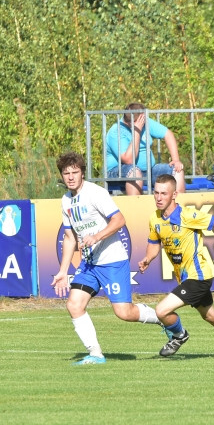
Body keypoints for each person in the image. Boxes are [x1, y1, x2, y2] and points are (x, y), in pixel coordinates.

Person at [51, 151, 168, 366]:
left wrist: (96, 236)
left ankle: (164, 318)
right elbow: (70, 238)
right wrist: (62, 271)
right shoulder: (66, 201)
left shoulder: (95, 193)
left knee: (124, 312)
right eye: (66, 173)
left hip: (112, 259)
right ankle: (95, 354)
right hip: (89, 263)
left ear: (82, 173)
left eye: (74, 172)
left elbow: (119, 220)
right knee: (74, 305)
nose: (70, 177)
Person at [137, 174, 214, 358]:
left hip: (198, 276)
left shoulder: (187, 215)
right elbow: (154, 243)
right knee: (209, 315)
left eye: (164, 194)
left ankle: (179, 335)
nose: (159, 198)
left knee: (161, 310)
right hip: (187, 277)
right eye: (156, 193)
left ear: (174, 195)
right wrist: (148, 259)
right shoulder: (155, 219)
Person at [104, 102, 186, 196]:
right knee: (134, 173)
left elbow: (168, 134)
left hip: (148, 171)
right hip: (118, 173)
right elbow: (129, 160)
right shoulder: (116, 131)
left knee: (177, 170)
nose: (145, 120)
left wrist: (175, 160)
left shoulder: (145, 121)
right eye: (142, 119)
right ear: (132, 122)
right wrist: (137, 132)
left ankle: (178, 208)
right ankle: (137, 209)